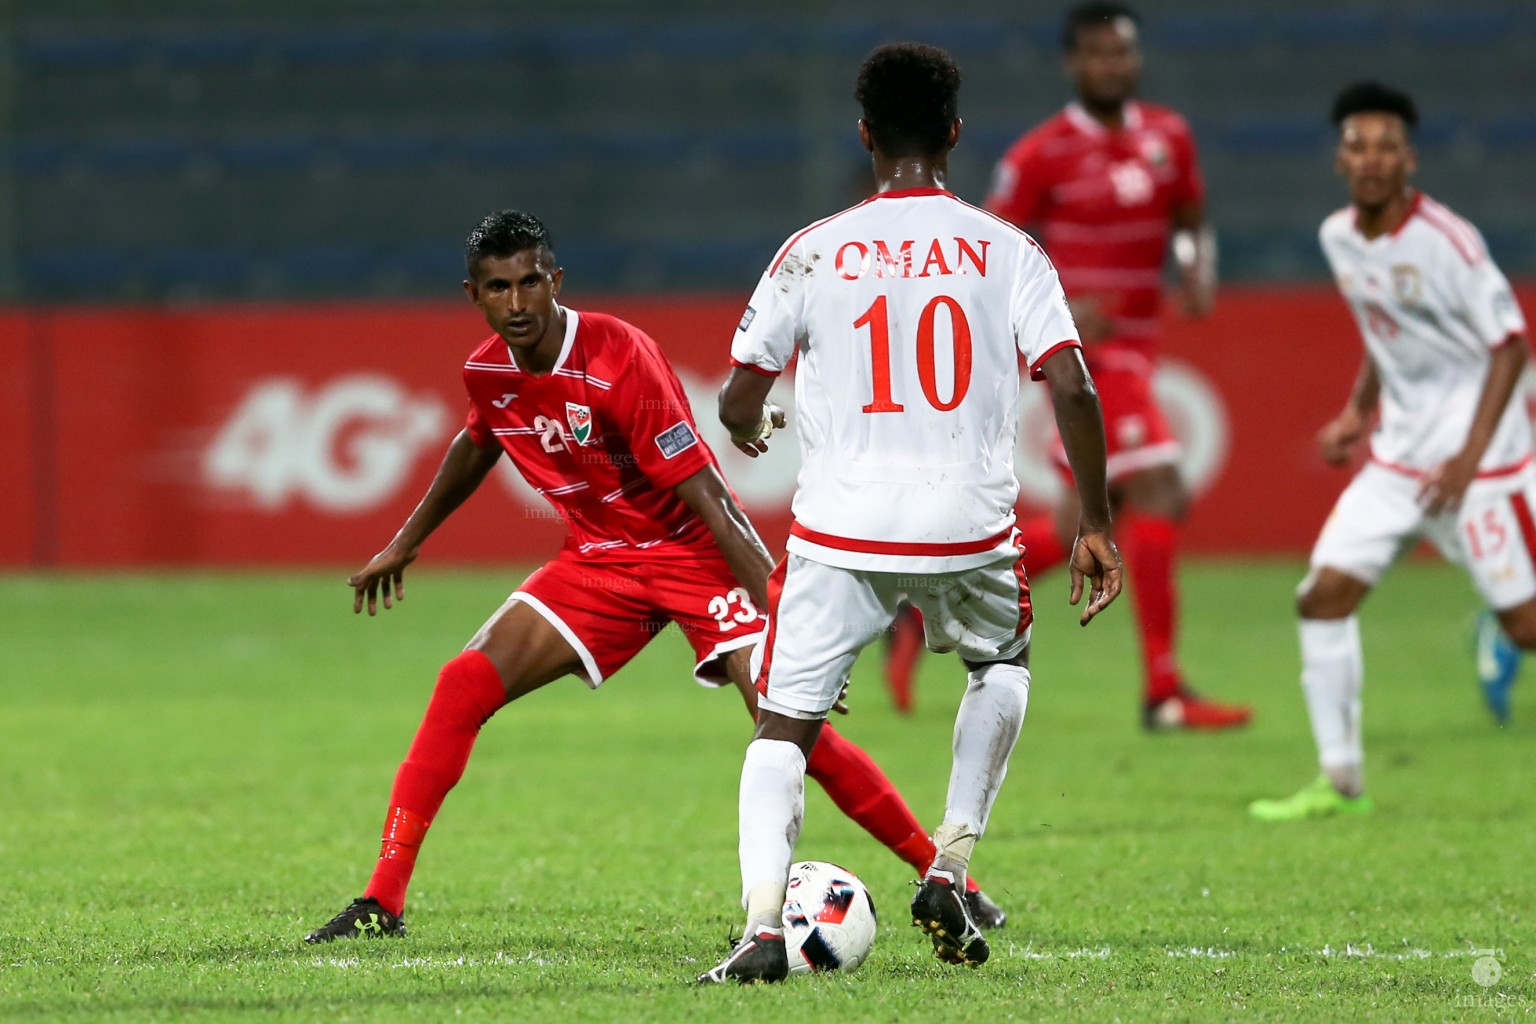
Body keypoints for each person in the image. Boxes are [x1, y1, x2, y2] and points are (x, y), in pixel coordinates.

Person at [302, 210, 1008, 942]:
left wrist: (789, 621)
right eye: (498, 288)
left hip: (690, 556)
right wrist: (406, 541)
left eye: (530, 282)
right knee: (462, 683)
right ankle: (381, 900)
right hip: (600, 561)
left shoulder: (616, 356)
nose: (517, 303)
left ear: (556, 280)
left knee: (791, 728)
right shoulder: (487, 370)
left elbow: (712, 498)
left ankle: (950, 878)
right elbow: (479, 438)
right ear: (473, 294)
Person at [699, 43, 1122, 984]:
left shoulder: (811, 249)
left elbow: (735, 403)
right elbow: (1073, 384)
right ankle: (951, 864)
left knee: (783, 729)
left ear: (863, 136)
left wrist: (759, 419)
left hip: (842, 530)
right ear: (956, 134)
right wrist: (1093, 523)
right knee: (1001, 665)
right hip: (969, 524)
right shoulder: (1009, 249)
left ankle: (765, 929)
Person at [1249, 82, 1533, 821]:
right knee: (1322, 597)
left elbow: (1509, 345)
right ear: (1340, 159)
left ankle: (1499, 631)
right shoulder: (1338, 236)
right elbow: (1387, 333)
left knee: (1527, 627)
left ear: (1408, 159)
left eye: (1385, 147)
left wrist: (1470, 458)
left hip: (1483, 466)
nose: (1370, 159)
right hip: (1399, 461)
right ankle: (1341, 784)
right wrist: (1356, 412)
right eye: (1357, 146)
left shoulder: (1448, 242)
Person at [962, 1, 1250, 730]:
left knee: (1087, 520)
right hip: (1083, 354)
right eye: (1095, 53)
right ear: (1072, 62)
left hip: (1140, 346)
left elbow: (1191, 218)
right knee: (1159, 488)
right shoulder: (1040, 153)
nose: (1110, 66)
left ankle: (934, 597)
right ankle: (1163, 692)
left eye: (1121, 53)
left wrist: (1196, 268)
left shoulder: (1168, 137)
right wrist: (1051, 302)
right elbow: (988, 252)